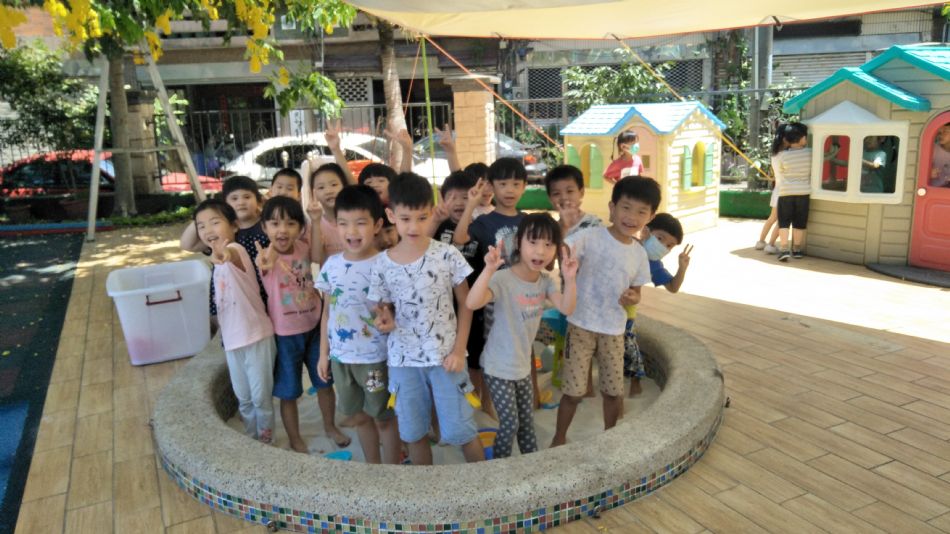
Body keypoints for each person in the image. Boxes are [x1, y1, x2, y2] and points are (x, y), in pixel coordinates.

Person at [367, 172, 484, 465]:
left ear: (432, 212)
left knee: (462, 430)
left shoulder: (447, 254)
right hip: (403, 362)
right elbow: (380, 308)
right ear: (391, 215)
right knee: (413, 432)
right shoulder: (381, 264)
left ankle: (485, 484)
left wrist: (459, 350)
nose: (414, 226)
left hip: (446, 358)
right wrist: (383, 318)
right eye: (405, 218)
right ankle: (426, 489)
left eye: (422, 217)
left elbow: (466, 303)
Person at [550, 176, 658, 447]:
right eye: (626, 207)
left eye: (641, 211)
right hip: (580, 324)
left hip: (614, 330)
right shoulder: (591, 236)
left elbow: (637, 292)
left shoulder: (639, 254)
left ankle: (610, 437)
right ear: (612, 208)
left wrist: (632, 296)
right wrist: (565, 226)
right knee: (573, 392)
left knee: (613, 391)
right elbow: (563, 251)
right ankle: (559, 437)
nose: (631, 216)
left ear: (650, 217)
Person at [467, 213, 578, 458]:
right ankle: (501, 467)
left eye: (548, 244)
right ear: (519, 242)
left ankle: (532, 465)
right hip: (497, 367)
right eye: (533, 242)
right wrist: (488, 270)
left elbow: (567, 308)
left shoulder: (545, 281)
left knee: (527, 423)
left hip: (522, 367)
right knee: (510, 424)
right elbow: (472, 303)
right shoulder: (503, 278)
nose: (540, 251)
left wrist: (570, 280)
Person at [256, 196, 349, 452]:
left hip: (315, 326)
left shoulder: (302, 246)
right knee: (289, 391)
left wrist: (316, 221)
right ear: (264, 227)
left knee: (325, 382)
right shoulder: (265, 256)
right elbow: (265, 264)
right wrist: (268, 258)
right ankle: (295, 437)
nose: (282, 230)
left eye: (290, 223)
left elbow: (317, 256)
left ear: (300, 228)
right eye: (274, 223)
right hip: (285, 335)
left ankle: (330, 426)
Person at [316, 185, 400, 464]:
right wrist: (323, 354)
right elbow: (327, 313)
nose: (351, 231)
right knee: (359, 416)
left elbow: (395, 311)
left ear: (377, 225)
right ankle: (373, 467)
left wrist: (389, 317)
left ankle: (392, 470)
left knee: (384, 417)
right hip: (341, 358)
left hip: (376, 359)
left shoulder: (386, 264)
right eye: (343, 223)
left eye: (360, 223)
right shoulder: (331, 265)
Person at [193, 199, 276, 443]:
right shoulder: (215, 263)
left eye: (215, 222)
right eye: (201, 226)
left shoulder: (236, 250)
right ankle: (251, 439)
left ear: (234, 226)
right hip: (232, 341)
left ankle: (267, 441)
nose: (208, 230)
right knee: (244, 399)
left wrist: (223, 254)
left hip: (256, 336)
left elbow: (229, 254)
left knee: (261, 398)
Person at [180, 175, 270, 330]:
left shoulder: (267, 226)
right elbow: (187, 244)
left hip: (263, 291)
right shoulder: (223, 232)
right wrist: (207, 215)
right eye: (234, 198)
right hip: (231, 296)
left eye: (247, 197)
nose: (240, 202)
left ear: (259, 200)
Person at [624, 213, 692, 396]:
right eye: (660, 239)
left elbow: (673, 287)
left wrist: (682, 267)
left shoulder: (654, 264)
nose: (663, 246)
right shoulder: (626, 244)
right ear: (646, 231)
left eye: (669, 245)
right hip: (603, 306)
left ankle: (636, 382)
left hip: (626, 312)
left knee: (629, 346)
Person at [771, 122, 812, 262]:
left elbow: (781, 171)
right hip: (803, 192)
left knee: (784, 222)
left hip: (786, 192)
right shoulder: (810, 153)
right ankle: (797, 249)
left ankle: (784, 249)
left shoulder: (783, 155)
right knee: (800, 222)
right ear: (801, 138)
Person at [307, 162, 349, 266]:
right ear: (313, 193)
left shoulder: (356, 219)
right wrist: (315, 222)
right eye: (321, 187)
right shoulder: (315, 224)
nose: (329, 191)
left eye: (334, 185)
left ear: (344, 186)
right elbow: (316, 259)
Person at [545, 164, 602, 238]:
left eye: (570, 191)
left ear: (581, 192)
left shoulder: (594, 225)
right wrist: (564, 227)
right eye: (556, 193)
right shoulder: (549, 230)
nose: (564, 197)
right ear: (550, 198)